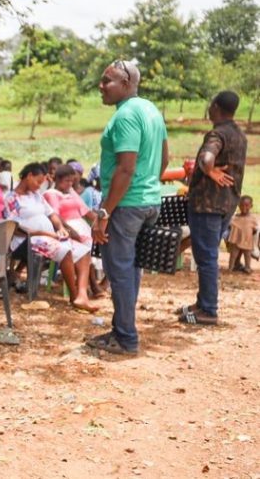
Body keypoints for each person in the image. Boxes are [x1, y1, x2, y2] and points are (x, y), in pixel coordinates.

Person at [88, 60, 169, 355]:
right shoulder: (151, 110)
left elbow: (125, 169)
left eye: (106, 80)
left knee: (119, 270)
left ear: (125, 83)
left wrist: (104, 212)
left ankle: (125, 338)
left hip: (126, 205)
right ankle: (121, 328)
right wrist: (149, 185)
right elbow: (164, 159)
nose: (101, 86)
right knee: (132, 269)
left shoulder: (125, 117)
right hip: (149, 201)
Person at [180, 91, 247, 325]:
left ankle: (208, 310)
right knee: (208, 254)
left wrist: (209, 170)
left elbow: (208, 157)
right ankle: (201, 303)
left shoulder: (217, 134)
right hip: (228, 203)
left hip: (208, 205)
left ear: (216, 107)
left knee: (206, 257)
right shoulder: (240, 135)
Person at [5, 163, 96, 312]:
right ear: (28, 176)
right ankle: (74, 297)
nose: (39, 186)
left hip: (49, 237)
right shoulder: (12, 198)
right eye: (38, 182)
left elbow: (51, 214)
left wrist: (60, 228)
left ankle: (82, 294)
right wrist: (46, 234)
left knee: (83, 251)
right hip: (26, 241)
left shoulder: (36, 196)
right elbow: (14, 228)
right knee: (65, 250)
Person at [44, 165, 100, 311]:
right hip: (66, 229)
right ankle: (89, 288)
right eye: (67, 181)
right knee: (82, 250)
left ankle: (89, 289)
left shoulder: (70, 191)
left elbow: (85, 211)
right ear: (58, 179)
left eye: (72, 181)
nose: (70, 184)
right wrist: (71, 231)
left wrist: (101, 221)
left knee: (99, 245)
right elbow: (56, 217)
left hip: (81, 228)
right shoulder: (51, 194)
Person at [227, 196, 258, 273]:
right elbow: (229, 226)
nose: (244, 207)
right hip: (235, 241)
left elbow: (255, 230)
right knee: (233, 255)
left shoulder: (252, 218)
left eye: (247, 205)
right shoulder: (235, 218)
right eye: (242, 205)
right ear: (238, 205)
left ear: (251, 206)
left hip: (247, 241)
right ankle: (230, 268)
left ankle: (247, 268)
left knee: (247, 255)